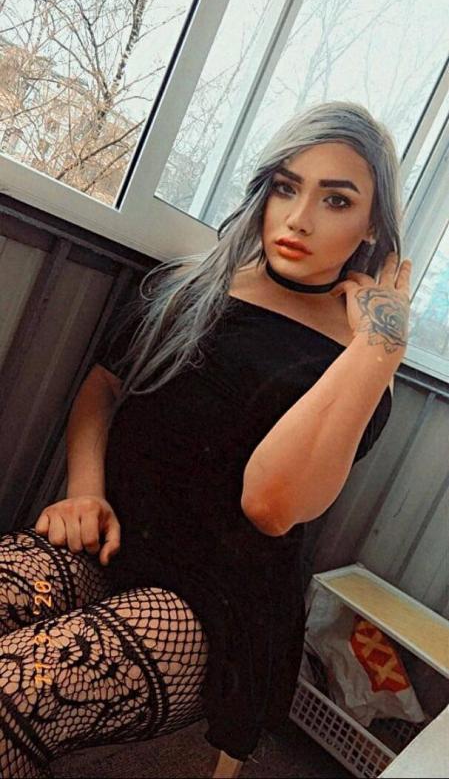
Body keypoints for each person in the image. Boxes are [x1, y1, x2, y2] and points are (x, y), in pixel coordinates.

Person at [0, 100, 412, 778]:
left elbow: (270, 506)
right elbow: (104, 386)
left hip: (214, 603)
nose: (298, 218)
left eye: (336, 200)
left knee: (17, 694)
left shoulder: (361, 363)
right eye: (286, 187)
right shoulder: (187, 287)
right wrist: (84, 490)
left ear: (372, 225)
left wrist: (378, 348)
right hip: (111, 540)